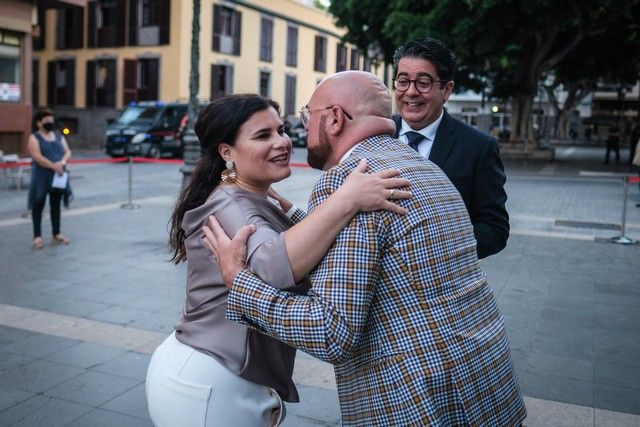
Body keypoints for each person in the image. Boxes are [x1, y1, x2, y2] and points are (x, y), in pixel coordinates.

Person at [203, 72, 527, 425]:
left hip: (422, 403)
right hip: (487, 385)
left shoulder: (346, 181)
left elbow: (331, 332)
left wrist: (240, 283)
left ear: (335, 118)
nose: (301, 131)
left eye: (308, 117)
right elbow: (383, 254)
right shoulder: (426, 168)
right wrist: (296, 214)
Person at [145, 94, 411, 427]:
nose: (282, 142)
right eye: (262, 136)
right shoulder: (232, 205)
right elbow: (272, 269)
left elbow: (296, 245)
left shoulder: (251, 196)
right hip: (209, 380)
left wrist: (295, 212)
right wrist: (347, 199)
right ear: (226, 152)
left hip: (221, 374)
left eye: (281, 129)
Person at [391, 37, 509, 259]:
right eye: (403, 81)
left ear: (447, 90)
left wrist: (438, 247)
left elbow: (495, 228)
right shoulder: (375, 135)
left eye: (423, 82)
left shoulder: (478, 147)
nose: (411, 92)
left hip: (441, 284)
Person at [27, 108, 72, 249]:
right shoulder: (34, 137)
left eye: (51, 121)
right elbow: (37, 157)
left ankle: (56, 233)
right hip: (41, 177)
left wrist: (62, 163)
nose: (50, 124)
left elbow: (68, 152)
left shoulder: (58, 136)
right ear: (39, 123)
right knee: (38, 205)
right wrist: (53, 166)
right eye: (46, 121)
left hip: (58, 176)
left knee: (56, 206)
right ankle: (37, 236)